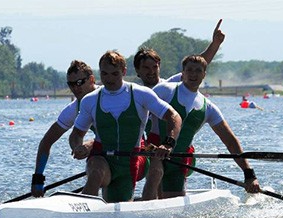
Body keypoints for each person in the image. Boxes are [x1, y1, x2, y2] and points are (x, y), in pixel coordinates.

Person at [69, 51, 182, 203]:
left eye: (114, 74)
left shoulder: (141, 94)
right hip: (102, 158)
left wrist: (168, 143)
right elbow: (76, 134)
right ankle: (81, 213)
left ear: (123, 71)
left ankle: (148, 201)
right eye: (104, 74)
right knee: (95, 170)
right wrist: (77, 147)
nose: (109, 79)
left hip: (131, 161)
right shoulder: (90, 100)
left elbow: (174, 116)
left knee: (121, 213)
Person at [142, 55, 261, 200]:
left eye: (198, 70)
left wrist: (249, 174)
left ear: (204, 75)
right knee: (155, 171)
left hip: (179, 160)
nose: (193, 74)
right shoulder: (164, 90)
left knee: (174, 216)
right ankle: (146, 206)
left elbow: (230, 141)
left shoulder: (209, 108)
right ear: (183, 73)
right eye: (189, 70)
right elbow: (139, 114)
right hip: (154, 152)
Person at [31, 60, 98, 197]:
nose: (75, 88)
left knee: (95, 163)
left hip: (135, 150)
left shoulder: (107, 96)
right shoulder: (73, 109)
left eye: (79, 82)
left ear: (91, 80)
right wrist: (38, 179)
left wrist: (91, 145)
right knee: (94, 163)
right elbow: (47, 141)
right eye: (71, 84)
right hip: (107, 155)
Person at [133, 19, 225, 88]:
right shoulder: (134, 93)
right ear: (137, 70)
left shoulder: (170, 85)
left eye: (154, 67)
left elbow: (199, 62)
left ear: (159, 66)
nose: (151, 71)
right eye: (146, 68)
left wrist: (215, 44)